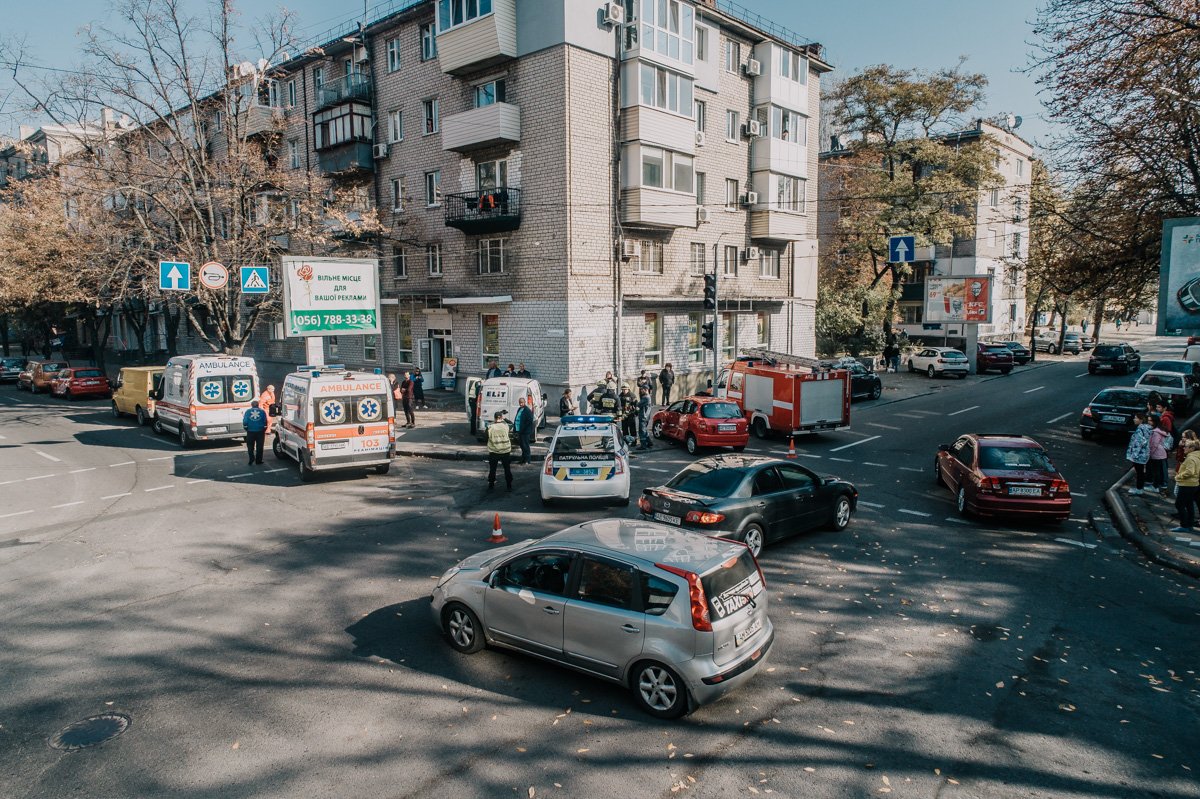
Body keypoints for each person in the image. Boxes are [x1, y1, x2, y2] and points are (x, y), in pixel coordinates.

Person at [1173, 441, 1200, 531]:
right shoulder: (1197, 457)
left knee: (1179, 504)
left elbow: (1190, 472)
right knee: (1189, 504)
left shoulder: (1191, 458)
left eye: (1186, 447)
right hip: (1194, 484)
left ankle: (1184, 525)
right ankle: (1189, 525)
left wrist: (1178, 476)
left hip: (1187, 484)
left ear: (1192, 449)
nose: (1184, 448)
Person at [486, 410, 514, 491]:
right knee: (507, 469)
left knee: (493, 469)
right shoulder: (506, 426)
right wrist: (504, 419)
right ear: (501, 418)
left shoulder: (490, 427)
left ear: (494, 418)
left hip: (494, 451)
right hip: (505, 451)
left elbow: (486, 436)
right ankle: (509, 485)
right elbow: (511, 423)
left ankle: (491, 485)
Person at [1126, 412, 1152, 495]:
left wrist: (1134, 455)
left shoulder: (1140, 429)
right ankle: (1139, 488)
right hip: (1145, 453)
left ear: (1141, 420)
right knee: (1141, 472)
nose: (1134, 419)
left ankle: (1139, 489)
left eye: (1136, 418)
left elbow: (1138, 443)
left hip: (1139, 455)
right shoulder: (1148, 428)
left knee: (1139, 472)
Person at [1149, 417, 1173, 494]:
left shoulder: (1156, 432)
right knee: (1160, 470)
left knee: (1156, 471)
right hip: (1162, 452)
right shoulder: (1161, 429)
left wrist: (1150, 453)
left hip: (1157, 453)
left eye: (1150, 420)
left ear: (1154, 422)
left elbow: (1154, 444)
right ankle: (1160, 485)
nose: (1148, 422)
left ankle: (1155, 487)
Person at [242, 400, 268, 466]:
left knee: (250, 446)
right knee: (260, 446)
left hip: (250, 431)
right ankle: (258, 460)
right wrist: (264, 428)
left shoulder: (248, 411)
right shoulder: (262, 411)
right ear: (258, 405)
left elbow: (245, 421)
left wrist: (246, 428)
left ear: (252, 405)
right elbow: (265, 421)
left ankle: (251, 458)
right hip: (260, 431)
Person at [514, 396, 535, 464]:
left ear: (524, 402)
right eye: (520, 403)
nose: (520, 404)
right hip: (519, 431)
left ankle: (527, 460)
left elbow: (529, 421)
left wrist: (523, 429)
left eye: (522, 403)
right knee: (522, 446)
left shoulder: (527, 410)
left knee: (525, 445)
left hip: (525, 432)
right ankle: (523, 459)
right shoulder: (520, 409)